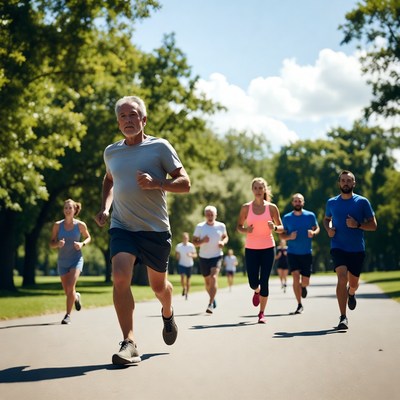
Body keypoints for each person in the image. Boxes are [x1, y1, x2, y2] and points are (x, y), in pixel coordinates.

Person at [95, 95, 190, 365]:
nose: (128, 120)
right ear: (118, 122)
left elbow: (185, 183)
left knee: (158, 287)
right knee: (120, 275)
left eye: (133, 115)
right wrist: (105, 207)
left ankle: (168, 311)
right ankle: (130, 342)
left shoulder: (159, 147)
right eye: (123, 116)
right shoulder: (111, 152)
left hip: (155, 230)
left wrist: (157, 183)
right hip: (122, 226)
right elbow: (109, 179)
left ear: (144, 119)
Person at [323, 170, 377, 330]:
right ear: (339, 183)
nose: (346, 183)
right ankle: (343, 317)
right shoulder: (331, 202)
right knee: (341, 277)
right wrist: (328, 229)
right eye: (343, 180)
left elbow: (373, 225)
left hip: (356, 249)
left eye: (349, 180)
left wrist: (358, 225)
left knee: (353, 283)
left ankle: (351, 293)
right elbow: (327, 219)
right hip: (338, 246)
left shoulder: (362, 202)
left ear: (354, 183)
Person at [237, 177, 284, 324]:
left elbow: (282, 227)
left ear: (264, 190)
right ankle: (256, 291)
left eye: (260, 188)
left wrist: (274, 228)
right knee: (253, 282)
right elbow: (238, 226)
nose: (258, 191)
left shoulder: (272, 208)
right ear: (252, 190)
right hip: (251, 248)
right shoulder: (246, 207)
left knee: (265, 280)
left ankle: (262, 313)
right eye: (255, 188)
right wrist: (246, 230)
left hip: (268, 247)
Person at [50, 199, 91, 325]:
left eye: (70, 208)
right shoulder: (57, 225)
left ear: (74, 210)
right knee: (68, 291)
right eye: (65, 208)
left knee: (70, 286)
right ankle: (76, 297)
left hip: (76, 259)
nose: (67, 210)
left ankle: (67, 315)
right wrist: (57, 244)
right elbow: (51, 243)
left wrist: (82, 243)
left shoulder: (80, 225)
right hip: (62, 261)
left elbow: (88, 237)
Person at [281, 193, 320, 314]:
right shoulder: (287, 218)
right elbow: (281, 235)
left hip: (306, 252)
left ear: (303, 203)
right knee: (295, 277)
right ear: (292, 203)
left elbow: (317, 228)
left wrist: (313, 233)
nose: (298, 203)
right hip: (292, 253)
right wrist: (289, 237)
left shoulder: (310, 215)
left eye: (300, 201)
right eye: (295, 201)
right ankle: (299, 304)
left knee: (305, 281)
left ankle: (303, 287)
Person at [193, 205, 229, 314]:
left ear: (216, 215)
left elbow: (226, 237)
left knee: (213, 277)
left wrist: (223, 242)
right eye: (208, 215)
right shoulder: (200, 227)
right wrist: (202, 241)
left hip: (217, 256)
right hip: (204, 257)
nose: (210, 216)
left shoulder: (221, 226)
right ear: (205, 215)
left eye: (212, 214)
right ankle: (213, 297)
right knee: (207, 282)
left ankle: (210, 303)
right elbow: (194, 242)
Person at [175, 232, 197, 300]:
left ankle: (187, 293)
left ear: (188, 238)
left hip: (189, 264)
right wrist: (177, 256)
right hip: (182, 264)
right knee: (182, 278)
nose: (185, 239)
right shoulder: (179, 246)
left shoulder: (191, 246)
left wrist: (191, 255)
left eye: (186, 238)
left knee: (188, 280)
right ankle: (184, 288)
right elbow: (176, 256)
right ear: (182, 238)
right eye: (184, 238)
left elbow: (195, 255)